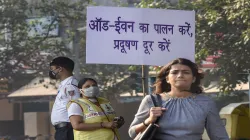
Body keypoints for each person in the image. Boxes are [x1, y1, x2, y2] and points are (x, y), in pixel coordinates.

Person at [129, 58, 229, 140]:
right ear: (167, 79)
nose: (180, 75)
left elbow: (220, 136)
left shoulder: (205, 103)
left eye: (186, 72)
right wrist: (149, 120)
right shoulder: (151, 100)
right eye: (175, 72)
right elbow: (132, 133)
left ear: (193, 78)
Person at [49, 56, 80, 140]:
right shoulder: (64, 84)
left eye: (53, 69)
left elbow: (76, 106)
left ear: (60, 69)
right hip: (63, 130)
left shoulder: (70, 86)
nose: (51, 71)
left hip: (67, 130)